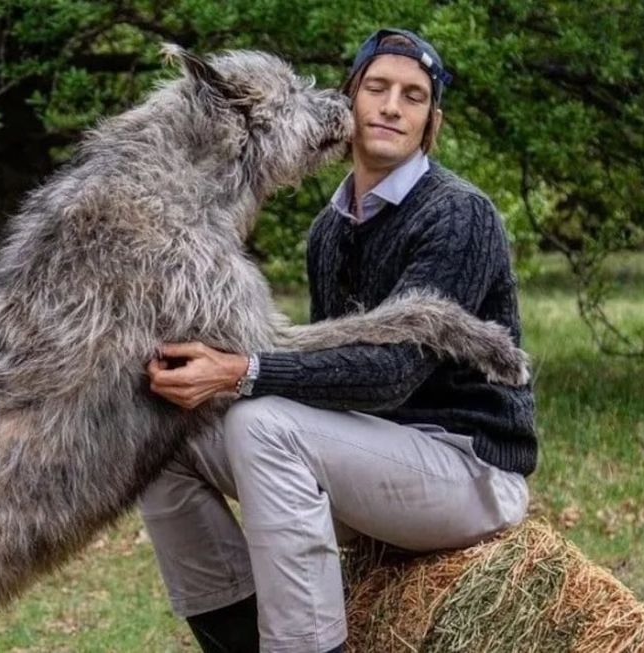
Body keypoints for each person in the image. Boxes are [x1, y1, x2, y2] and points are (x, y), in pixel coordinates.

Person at [139, 28, 537, 653]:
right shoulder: (329, 229)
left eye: (413, 96)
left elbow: (392, 372)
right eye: (376, 88)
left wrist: (241, 371)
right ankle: (240, 637)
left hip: (469, 470)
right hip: (371, 465)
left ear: (431, 121)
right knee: (160, 432)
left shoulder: (458, 214)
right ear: (347, 102)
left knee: (262, 423)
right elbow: (331, 371)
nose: (390, 106)